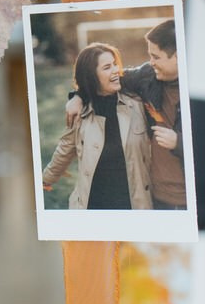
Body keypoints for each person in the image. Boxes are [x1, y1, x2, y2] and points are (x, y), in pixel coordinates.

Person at [66, 21, 187, 210]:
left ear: (178, 57)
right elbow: (102, 81)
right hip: (156, 197)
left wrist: (179, 143)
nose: (151, 62)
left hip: (188, 201)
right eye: (150, 56)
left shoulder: (200, 93)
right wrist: (78, 96)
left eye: (156, 57)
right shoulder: (148, 75)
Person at [42, 44, 153, 210]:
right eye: (107, 67)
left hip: (133, 205)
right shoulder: (79, 112)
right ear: (92, 76)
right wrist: (45, 179)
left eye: (115, 64)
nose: (116, 70)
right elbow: (65, 149)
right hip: (92, 205)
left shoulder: (137, 104)